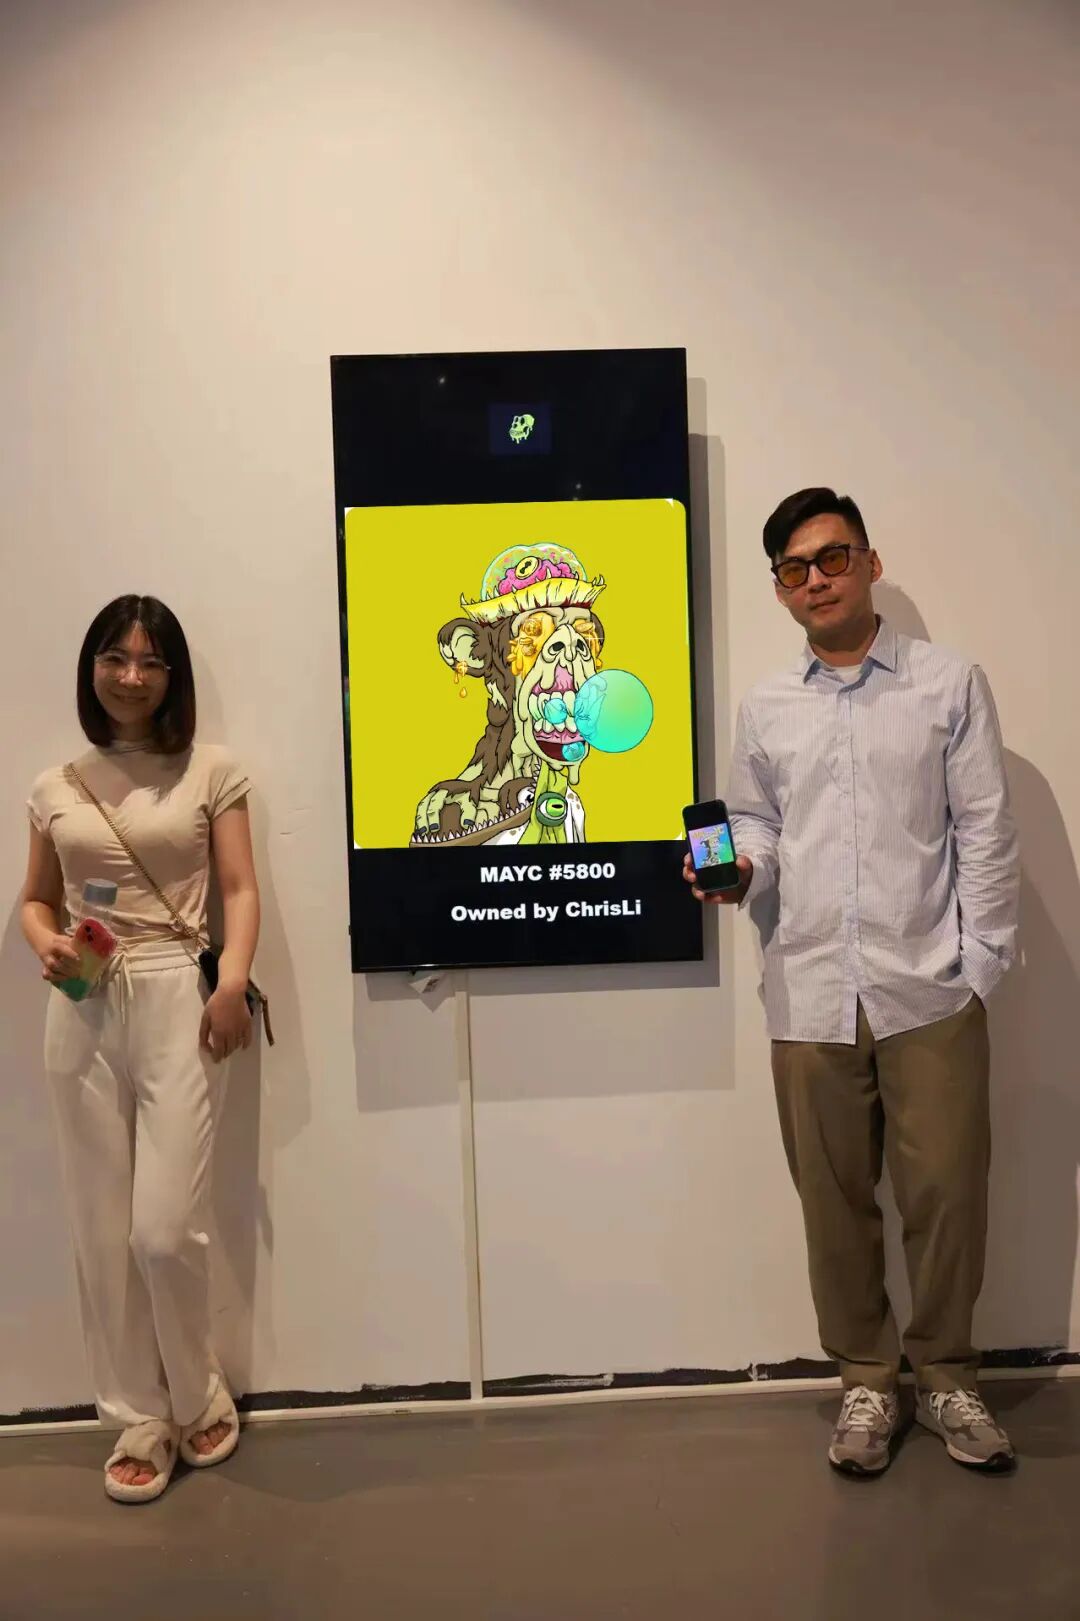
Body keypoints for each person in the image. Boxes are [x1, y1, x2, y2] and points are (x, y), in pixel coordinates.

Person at [684, 489, 1019, 1476]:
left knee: (947, 1192)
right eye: (794, 569)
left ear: (870, 563)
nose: (816, 580)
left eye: (832, 558)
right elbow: (756, 821)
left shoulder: (949, 684)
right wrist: (740, 870)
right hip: (810, 987)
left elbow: (985, 827)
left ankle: (948, 1375)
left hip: (930, 987)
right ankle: (867, 1381)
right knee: (832, 1203)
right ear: (780, 590)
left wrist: (980, 964)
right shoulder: (767, 706)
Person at [21, 595, 261, 1503]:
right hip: (82, 999)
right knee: (98, 1222)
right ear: (91, 668)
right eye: (114, 658)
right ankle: (139, 1413)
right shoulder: (56, 784)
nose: (130, 677)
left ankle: (199, 1390)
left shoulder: (211, 770)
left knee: (162, 1230)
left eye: (150, 661)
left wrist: (232, 980)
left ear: (173, 674)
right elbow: (37, 898)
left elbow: (239, 888)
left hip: (175, 994)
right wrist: (43, 941)